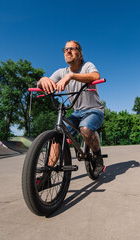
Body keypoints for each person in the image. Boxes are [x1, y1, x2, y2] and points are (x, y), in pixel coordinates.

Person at [37, 40, 105, 177]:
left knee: (85, 128)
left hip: (94, 110)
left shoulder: (87, 66)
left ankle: (97, 157)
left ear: (80, 55)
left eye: (72, 49)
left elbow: (95, 76)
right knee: (58, 135)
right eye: (66, 49)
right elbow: (42, 84)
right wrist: (42, 80)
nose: (68, 51)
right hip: (76, 112)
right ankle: (47, 175)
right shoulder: (60, 72)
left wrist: (71, 76)